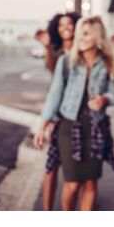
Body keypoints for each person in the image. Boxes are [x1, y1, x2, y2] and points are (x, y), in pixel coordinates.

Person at [34, 16, 114, 211]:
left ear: (98, 37)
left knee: (90, 183)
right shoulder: (66, 61)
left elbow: (112, 93)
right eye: (80, 33)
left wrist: (103, 99)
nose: (80, 38)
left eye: (86, 34)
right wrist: (43, 126)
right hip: (69, 127)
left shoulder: (107, 62)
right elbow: (54, 95)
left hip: (96, 127)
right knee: (72, 184)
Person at [34, 12, 81, 210]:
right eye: (61, 25)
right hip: (58, 113)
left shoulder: (83, 46)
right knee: (52, 165)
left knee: (78, 168)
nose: (65, 28)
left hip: (78, 114)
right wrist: (46, 46)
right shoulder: (56, 51)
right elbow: (54, 69)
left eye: (69, 24)